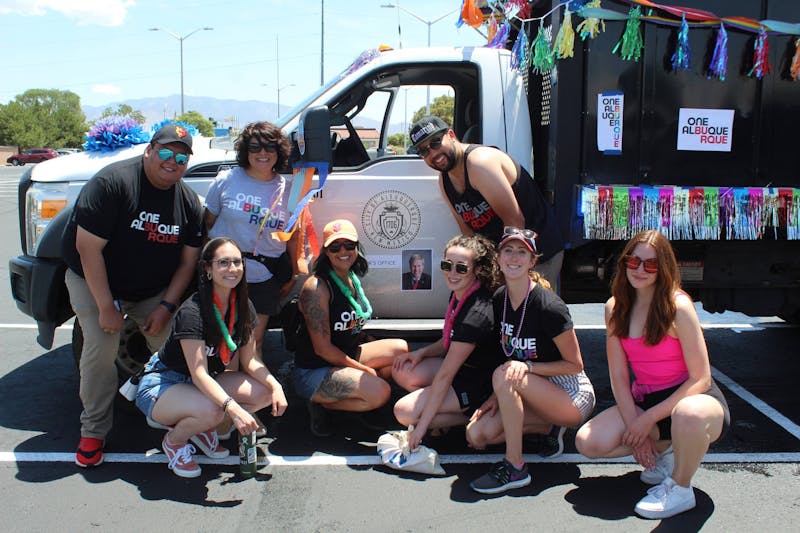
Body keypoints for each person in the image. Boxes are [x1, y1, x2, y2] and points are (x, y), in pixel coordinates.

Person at [62, 123, 205, 468]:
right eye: (167, 153)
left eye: (181, 157)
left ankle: (185, 420)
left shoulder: (187, 202)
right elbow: (87, 249)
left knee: (176, 347)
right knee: (101, 345)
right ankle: (93, 430)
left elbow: (187, 264)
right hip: (94, 279)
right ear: (149, 151)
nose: (173, 162)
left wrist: (167, 307)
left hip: (149, 289)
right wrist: (106, 306)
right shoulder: (113, 183)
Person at [575, 230, 730, 519]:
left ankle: (681, 489)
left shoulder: (677, 306)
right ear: (623, 264)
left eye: (651, 264)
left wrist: (646, 420)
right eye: (634, 262)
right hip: (647, 402)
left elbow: (701, 378)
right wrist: (637, 426)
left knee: (689, 414)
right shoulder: (614, 308)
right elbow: (618, 376)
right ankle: (667, 454)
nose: (641, 270)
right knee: (588, 442)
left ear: (665, 268)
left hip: (694, 400)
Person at [135, 237, 288, 478]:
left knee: (264, 393)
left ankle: (201, 425)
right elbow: (198, 374)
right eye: (223, 262)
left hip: (203, 383)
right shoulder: (193, 311)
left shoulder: (243, 306)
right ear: (208, 268)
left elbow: (250, 361)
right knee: (215, 410)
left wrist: (275, 384)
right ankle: (175, 441)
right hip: (164, 383)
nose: (233, 269)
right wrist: (233, 409)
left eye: (237, 262)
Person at [466, 227, 595, 494]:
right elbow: (511, 353)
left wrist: (528, 368)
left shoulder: (549, 306)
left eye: (522, 252)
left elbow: (576, 365)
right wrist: (496, 396)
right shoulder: (501, 298)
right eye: (508, 251)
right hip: (532, 386)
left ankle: (515, 467)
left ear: (533, 261)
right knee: (477, 434)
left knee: (504, 374)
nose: (514, 257)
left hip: (570, 392)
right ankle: (550, 428)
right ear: (499, 258)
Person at [408, 115, 564, 287]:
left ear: (451, 135)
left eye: (436, 143)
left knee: (527, 311)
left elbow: (515, 223)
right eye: (424, 151)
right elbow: (468, 234)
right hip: (502, 262)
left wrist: (501, 277)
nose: (433, 153)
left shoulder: (479, 163)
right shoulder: (444, 181)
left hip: (536, 256)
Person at [292, 219, 409, 437]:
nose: (343, 251)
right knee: (381, 392)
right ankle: (323, 405)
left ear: (357, 247)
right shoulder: (316, 288)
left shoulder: (350, 278)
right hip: (314, 369)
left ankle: (357, 398)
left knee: (400, 350)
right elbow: (322, 350)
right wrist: (364, 370)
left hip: (343, 355)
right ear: (326, 251)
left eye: (349, 245)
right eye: (335, 247)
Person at [392, 233, 505, 451]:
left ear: (477, 270)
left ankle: (472, 415)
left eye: (461, 268)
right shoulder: (460, 292)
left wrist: (420, 429)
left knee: (404, 412)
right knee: (404, 369)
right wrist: (421, 353)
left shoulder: (476, 315)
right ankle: (443, 408)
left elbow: (445, 375)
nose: (452, 273)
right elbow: (451, 341)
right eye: (447, 265)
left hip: (477, 382)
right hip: (462, 369)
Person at [205, 121, 307, 358]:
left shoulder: (289, 189)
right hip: (224, 273)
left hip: (265, 276)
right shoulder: (226, 180)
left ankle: (251, 389)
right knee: (222, 337)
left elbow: (291, 237)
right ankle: (221, 389)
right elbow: (207, 224)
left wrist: (293, 274)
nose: (263, 153)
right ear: (245, 151)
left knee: (254, 340)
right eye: (255, 147)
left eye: (270, 147)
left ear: (279, 151)